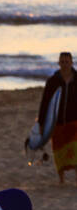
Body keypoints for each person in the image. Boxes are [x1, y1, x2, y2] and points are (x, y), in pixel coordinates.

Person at [38, 51, 77, 184]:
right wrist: (41, 123)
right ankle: (61, 179)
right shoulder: (53, 81)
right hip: (57, 121)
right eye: (62, 62)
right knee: (59, 151)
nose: (65, 64)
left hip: (74, 121)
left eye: (67, 61)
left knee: (75, 150)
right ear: (59, 63)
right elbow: (45, 102)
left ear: (72, 62)